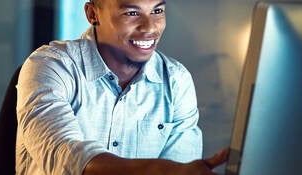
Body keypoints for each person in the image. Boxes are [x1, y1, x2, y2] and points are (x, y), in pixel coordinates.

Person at [15, 0, 228, 174]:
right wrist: (157, 171)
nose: (150, 27)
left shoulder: (176, 81)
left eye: (157, 10)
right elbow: (65, 153)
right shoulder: (50, 66)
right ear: (92, 14)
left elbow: (181, 170)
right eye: (132, 13)